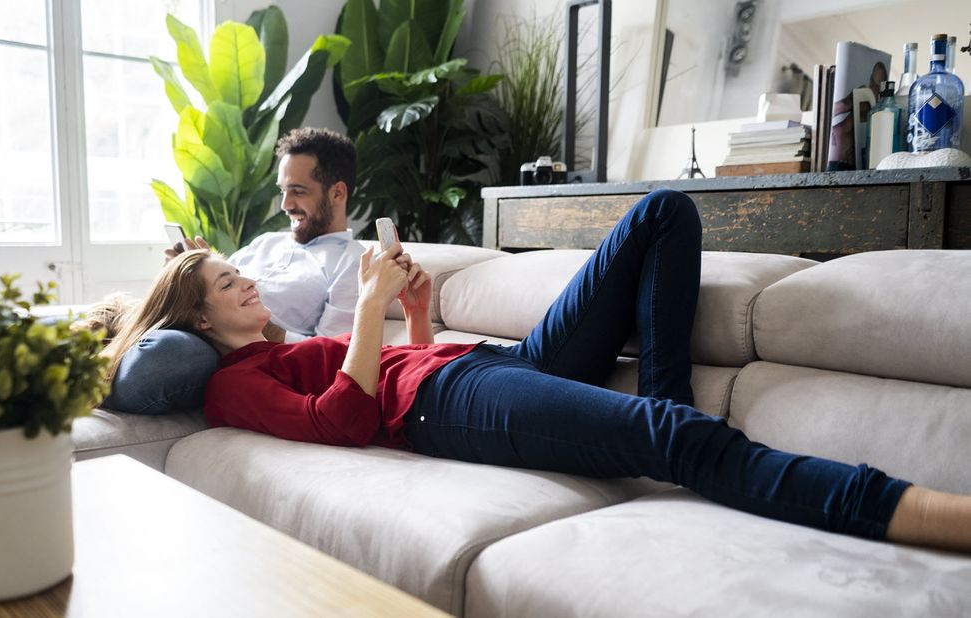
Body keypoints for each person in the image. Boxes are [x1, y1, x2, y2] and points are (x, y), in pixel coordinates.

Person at [101, 189, 971, 553]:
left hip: (481, 365)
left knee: (663, 213)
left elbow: (393, 368)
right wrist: (368, 311)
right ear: (199, 319)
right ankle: (928, 514)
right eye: (227, 282)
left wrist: (409, 312)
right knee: (679, 438)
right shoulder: (229, 383)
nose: (246, 280)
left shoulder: (275, 346)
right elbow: (346, 421)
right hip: (455, 406)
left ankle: (661, 424)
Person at [103, 127, 366, 413]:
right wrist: (182, 278)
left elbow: (333, 353)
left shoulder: (353, 263)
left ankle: (90, 377)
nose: (285, 205)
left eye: (298, 192)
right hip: (184, 322)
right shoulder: (266, 242)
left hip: (225, 353)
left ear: (337, 193)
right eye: (282, 191)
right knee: (74, 321)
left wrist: (259, 325)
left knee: (171, 354)